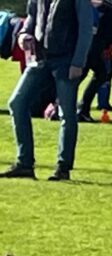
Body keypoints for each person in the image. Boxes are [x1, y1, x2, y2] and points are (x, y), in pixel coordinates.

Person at [1, 0, 93, 181]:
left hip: (66, 60)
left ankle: (63, 168)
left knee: (66, 113)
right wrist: (23, 35)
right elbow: (31, 18)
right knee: (17, 103)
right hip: (40, 58)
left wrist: (78, 62)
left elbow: (86, 29)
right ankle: (24, 163)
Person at [76, 0, 112, 123]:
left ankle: (64, 105)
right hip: (99, 38)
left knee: (85, 72)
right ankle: (81, 108)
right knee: (100, 73)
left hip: (90, 36)